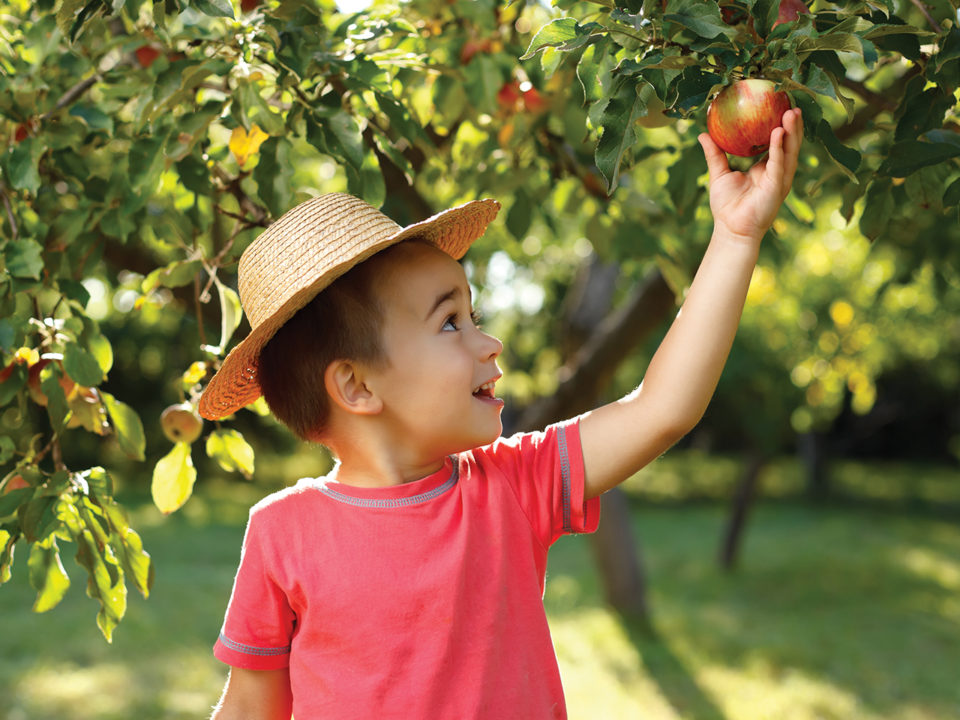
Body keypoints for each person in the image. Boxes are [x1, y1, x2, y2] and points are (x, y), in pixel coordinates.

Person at [202, 109, 804, 720]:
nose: (490, 344)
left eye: (475, 315)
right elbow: (250, 708)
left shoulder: (512, 486)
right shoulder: (282, 533)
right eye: (450, 323)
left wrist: (735, 238)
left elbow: (662, 409)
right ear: (357, 386)